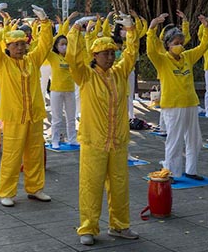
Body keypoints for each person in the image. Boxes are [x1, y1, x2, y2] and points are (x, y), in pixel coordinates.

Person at [66, 13, 140, 246]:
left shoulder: (119, 73)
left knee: (119, 185)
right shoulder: (85, 75)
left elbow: (130, 54)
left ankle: (119, 225)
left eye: (112, 52)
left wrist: (129, 30)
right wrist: (76, 30)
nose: (110, 56)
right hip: (93, 142)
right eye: (105, 53)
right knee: (91, 186)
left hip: (117, 141)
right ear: (94, 56)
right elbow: (73, 59)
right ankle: (87, 227)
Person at [0, 3, 52, 207]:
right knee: (12, 156)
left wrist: (45, 22)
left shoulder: (33, 60)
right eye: (15, 45)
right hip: (14, 116)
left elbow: (46, 44)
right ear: (7, 47)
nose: (20, 48)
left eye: (22, 44)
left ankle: (35, 188)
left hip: (34, 115)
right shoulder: (2, 63)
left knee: (34, 153)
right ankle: (7, 192)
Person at [147, 12, 208, 181]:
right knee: (174, 141)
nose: (180, 46)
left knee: (194, 140)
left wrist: (206, 27)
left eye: (181, 43)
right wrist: (152, 28)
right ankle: (171, 172)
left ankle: (191, 170)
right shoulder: (162, 60)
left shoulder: (188, 57)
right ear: (168, 45)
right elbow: (150, 50)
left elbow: (204, 46)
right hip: (173, 106)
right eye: (176, 43)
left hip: (191, 103)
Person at [48, 35, 77, 148]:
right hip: (56, 90)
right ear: (56, 46)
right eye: (62, 44)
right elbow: (45, 45)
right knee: (57, 118)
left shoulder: (71, 56)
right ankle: (55, 140)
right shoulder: (53, 56)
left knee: (71, 117)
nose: (64, 46)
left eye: (66, 44)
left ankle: (72, 139)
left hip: (70, 89)